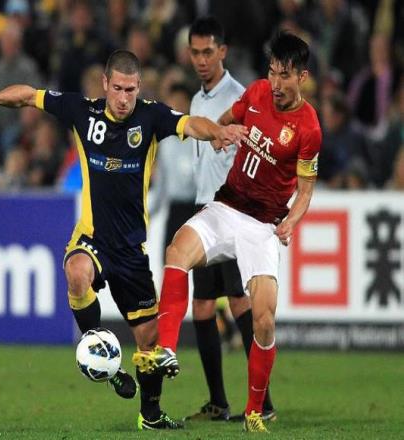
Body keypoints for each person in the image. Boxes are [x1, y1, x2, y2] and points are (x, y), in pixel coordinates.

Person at [0, 49, 244, 431]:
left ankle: (151, 414)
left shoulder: (151, 117)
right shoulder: (82, 111)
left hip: (131, 250)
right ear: (105, 84)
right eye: (117, 88)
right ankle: (99, 348)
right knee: (76, 272)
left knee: (149, 343)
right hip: (93, 237)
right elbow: (30, 95)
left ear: (139, 87)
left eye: (130, 90)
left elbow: (190, 123)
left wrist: (218, 132)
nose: (124, 98)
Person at [133, 32, 322, 433]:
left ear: (301, 77)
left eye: (284, 75)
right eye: (272, 72)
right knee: (176, 251)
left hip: (262, 226)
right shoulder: (255, 93)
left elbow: (306, 190)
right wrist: (222, 136)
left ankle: (255, 410)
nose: (275, 83)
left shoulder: (308, 128)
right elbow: (226, 120)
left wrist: (291, 220)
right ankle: (166, 349)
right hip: (226, 205)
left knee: (264, 321)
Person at [183, 16, 275, 423]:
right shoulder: (197, 100)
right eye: (195, 52)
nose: (201, 60)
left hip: (234, 211)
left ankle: (263, 404)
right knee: (202, 306)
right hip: (204, 210)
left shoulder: (241, 98)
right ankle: (218, 402)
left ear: (223, 51)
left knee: (240, 301)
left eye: (208, 52)